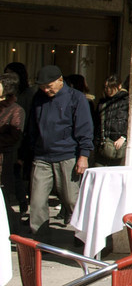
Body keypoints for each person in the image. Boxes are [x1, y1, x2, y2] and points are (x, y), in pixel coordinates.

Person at [24, 65, 94, 234]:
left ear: (60, 80)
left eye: (49, 86)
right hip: (42, 157)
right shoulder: (38, 98)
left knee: (72, 200)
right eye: (42, 86)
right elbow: (32, 126)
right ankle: (41, 242)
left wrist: (83, 155)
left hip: (68, 155)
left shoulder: (76, 98)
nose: (46, 90)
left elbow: (85, 128)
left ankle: (84, 235)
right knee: (37, 202)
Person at [0, 72, 23, 219]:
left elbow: (15, 136)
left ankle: (11, 225)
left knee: (4, 195)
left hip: (6, 157)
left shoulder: (16, 110)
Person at [94, 75, 129, 167]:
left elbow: (130, 122)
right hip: (103, 145)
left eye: (111, 87)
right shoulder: (102, 103)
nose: (108, 90)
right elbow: (97, 123)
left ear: (119, 86)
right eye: (106, 87)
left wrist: (124, 137)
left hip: (119, 145)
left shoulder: (126, 101)